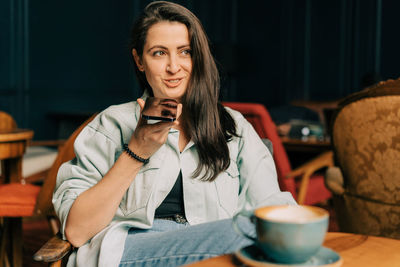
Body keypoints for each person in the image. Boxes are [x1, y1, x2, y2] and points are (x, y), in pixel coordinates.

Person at [53, 1, 296, 267]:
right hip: (131, 251)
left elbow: (272, 205)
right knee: (248, 231)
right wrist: (136, 152)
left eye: (185, 52)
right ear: (139, 61)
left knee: (272, 227)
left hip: (210, 252)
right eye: (159, 53)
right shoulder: (111, 124)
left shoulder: (233, 127)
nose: (173, 67)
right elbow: (76, 231)